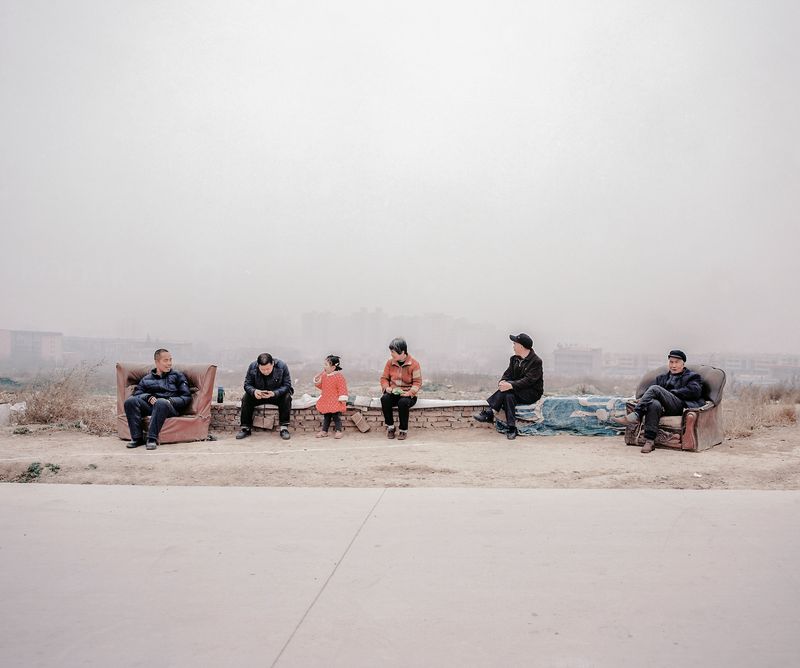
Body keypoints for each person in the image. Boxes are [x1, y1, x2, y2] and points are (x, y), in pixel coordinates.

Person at [621, 349, 704, 453]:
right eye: (671, 362)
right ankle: (649, 441)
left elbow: (695, 391)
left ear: (683, 364)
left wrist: (670, 393)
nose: (673, 365)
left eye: (676, 362)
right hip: (663, 408)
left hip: (680, 406)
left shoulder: (692, 377)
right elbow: (650, 393)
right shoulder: (661, 378)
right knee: (653, 404)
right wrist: (651, 398)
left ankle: (637, 414)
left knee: (655, 389)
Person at [473, 333, 544, 440]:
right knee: (508, 396)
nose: (513, 346)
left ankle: (490, 412)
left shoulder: (536, 361)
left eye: (515, 344)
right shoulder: (514, 359)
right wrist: (503, 381)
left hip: (531, 392)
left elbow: (528, 381)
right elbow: (508, 373)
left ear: (521, 346)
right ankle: (511, 428)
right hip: (516, 390)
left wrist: (510, 385)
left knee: (508, 391)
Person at [124, 348, 192, 450]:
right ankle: (136, 438)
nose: (169, 363)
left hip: (170, 408)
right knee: (130, 401)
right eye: (166, 360)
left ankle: (151, 439)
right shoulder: (146, 379)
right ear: (157, 362)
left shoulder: (177, 376)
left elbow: (186, 397)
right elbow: (137, 394)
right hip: (152, 408)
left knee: (161, 402)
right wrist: (147, 397)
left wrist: (171, 401)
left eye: (170, 360)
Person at [236, 353, 293, 440]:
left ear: (272, 364)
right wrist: (254, 391)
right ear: (258, 365)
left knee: (286, 397)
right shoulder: (252, 367)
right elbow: (247, 384)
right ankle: (245, 428)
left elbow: (287, 385)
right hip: (259, 395)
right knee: (246, 397)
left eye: (268, 369)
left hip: (275, 395)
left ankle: (284, 428)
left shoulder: (282, 366)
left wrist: (274, 393)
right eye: (262, 369)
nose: (266, 372)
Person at [379, 337, 422, 440]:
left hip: (408, 395)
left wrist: (409, 393)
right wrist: (387, 387)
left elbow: (417, 382)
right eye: (391, 352)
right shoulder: (390, 363)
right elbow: (384, 378)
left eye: (393, 352)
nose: (391, 354)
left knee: (403, 402)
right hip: (394, 392)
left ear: (402, 352)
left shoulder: (414, 364)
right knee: (384, 399)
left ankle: (403, 430)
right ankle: (390, 427)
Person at [313, 355, 349, 439]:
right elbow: (321, 386)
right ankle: (324, 431)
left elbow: (342, 388)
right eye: (324, 364)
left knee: (336, 416)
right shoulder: (324, 376)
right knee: (326, 416)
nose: (324, 367)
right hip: (326, 399)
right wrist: (317, 380)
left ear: (333, 367)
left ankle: (338, 430)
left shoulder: (339, 377)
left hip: (335, 400)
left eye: (326, 365)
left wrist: (343, 398)